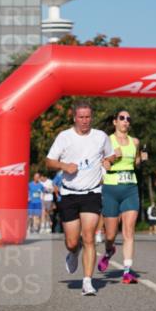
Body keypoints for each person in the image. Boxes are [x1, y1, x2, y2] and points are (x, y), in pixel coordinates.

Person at [45, 101, 114, 296]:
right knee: (73, 241)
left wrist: (108, 162)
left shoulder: (100, 137)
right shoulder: (64, 137)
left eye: (88, 117)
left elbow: (109, 156)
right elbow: (49, 161)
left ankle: (87, 282)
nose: (85, 121)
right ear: (74, 117)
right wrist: (64, 166)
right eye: (81, 117)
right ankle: (73, 252)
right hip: (69, 193)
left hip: (92, 192)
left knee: (89, 237)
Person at [97, 109, 146, 283]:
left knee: (129, 231)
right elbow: (102, 163)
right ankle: (109, 251)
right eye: (122, 118)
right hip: (110, 188)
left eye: (128, 118)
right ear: (115, 122)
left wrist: (143, 159)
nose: (126, 121)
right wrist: (110, 159)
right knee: (110, 235)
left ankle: (127, 270)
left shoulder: (135, 141)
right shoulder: (106, 140)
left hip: (130, 188)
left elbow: (134, 162)